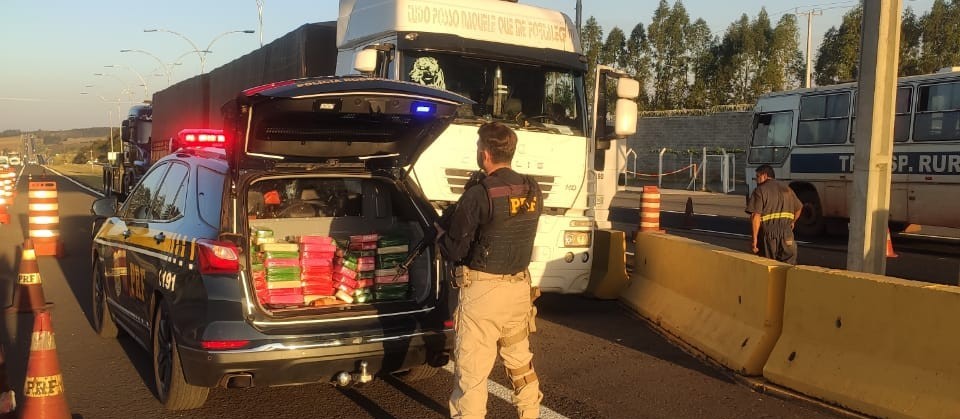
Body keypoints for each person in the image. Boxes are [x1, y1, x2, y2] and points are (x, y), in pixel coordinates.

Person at [436, 122, 543, 419]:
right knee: (520, 364)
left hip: (484, 295)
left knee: (472, 376)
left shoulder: (479, 194)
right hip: (520, 292)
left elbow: (455, 249)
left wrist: (439, 235)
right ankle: (531, 414)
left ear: (484, 154)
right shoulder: (533, 189)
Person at [745, 164, 803, 264]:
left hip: (769, 237)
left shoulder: (760, 190)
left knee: (769, 267)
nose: (756, 180)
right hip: (788, 236)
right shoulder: (787, 189)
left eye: (757, 177)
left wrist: (754, 240)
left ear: (765, 175)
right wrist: (792, 221)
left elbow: (756, 216)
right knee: (788, 268)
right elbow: (799, 208)